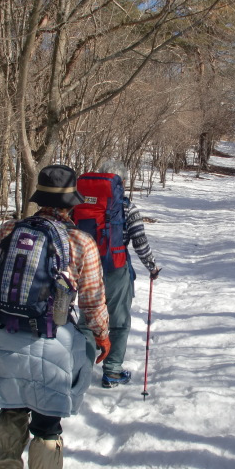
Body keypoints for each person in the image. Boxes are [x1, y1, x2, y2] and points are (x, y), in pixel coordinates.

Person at [0, 164, 111, 469]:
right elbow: (92, 301)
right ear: (70, 203)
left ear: (39, 198)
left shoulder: (9, 230)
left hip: (3, 335)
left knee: (12, 404)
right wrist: (102, 335)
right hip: (53, 339)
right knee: (46, 423)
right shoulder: (81, 242)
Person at [96, 161, 160, 389]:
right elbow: (140, 242)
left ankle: (79, 369)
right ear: (121, 182)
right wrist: (152, 266)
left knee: (86, 321)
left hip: (87, 268)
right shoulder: (127, 207)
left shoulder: (86, 204)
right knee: (119, 322)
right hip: (116, 268)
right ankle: (112, 371)